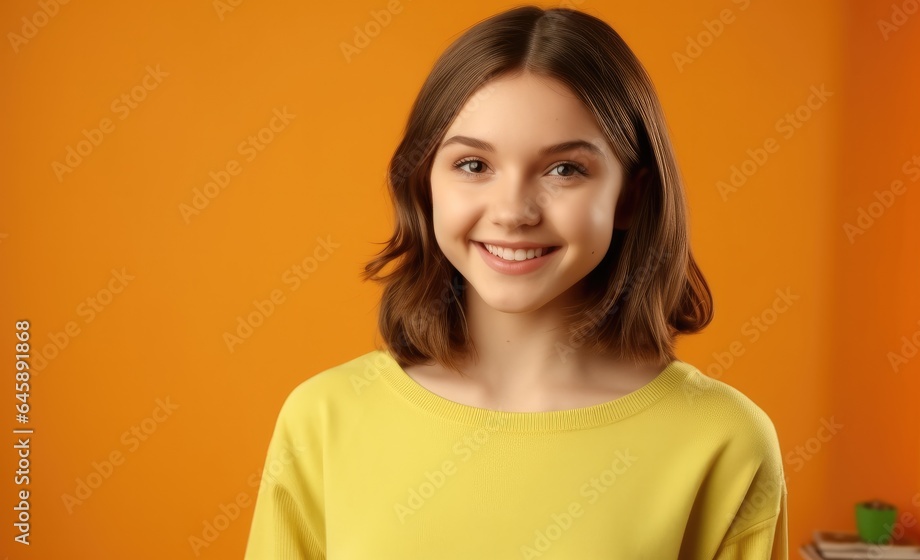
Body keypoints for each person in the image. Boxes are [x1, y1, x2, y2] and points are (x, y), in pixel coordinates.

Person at [244, 5, 787, 559]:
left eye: (564, 169)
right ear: (424, 182)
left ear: (630, 195)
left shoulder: (724, 441)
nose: (513, 212)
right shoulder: (323, 421)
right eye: (474, 165)